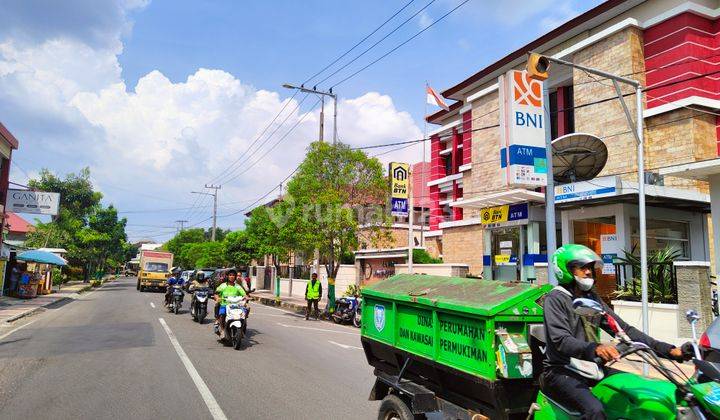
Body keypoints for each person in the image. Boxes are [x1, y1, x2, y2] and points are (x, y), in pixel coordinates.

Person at [540, 244, 687, 419]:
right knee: (595, 410)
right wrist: (595, 348)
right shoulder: (555, 299)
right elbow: (561, 340)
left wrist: (669, 350)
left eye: (590, 268)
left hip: (592, 369)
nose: (588, 272)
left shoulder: (591, 299)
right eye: (582, 267)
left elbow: (625, 330)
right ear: (566, 270)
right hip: (561, 371)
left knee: (636, 393)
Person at [213, 269, 246, 334]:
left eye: (233, 275)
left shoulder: (237, 286)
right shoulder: (223, 285)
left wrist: (246, 298)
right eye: (230, 275)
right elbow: (216, 293)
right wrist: (217, 298)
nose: (232, 276)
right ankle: (222, 329)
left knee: (243, 314)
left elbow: (244, 294)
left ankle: (242, 330)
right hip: (225, 304)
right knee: (222, 314)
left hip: (236, 305)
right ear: (227, 276)